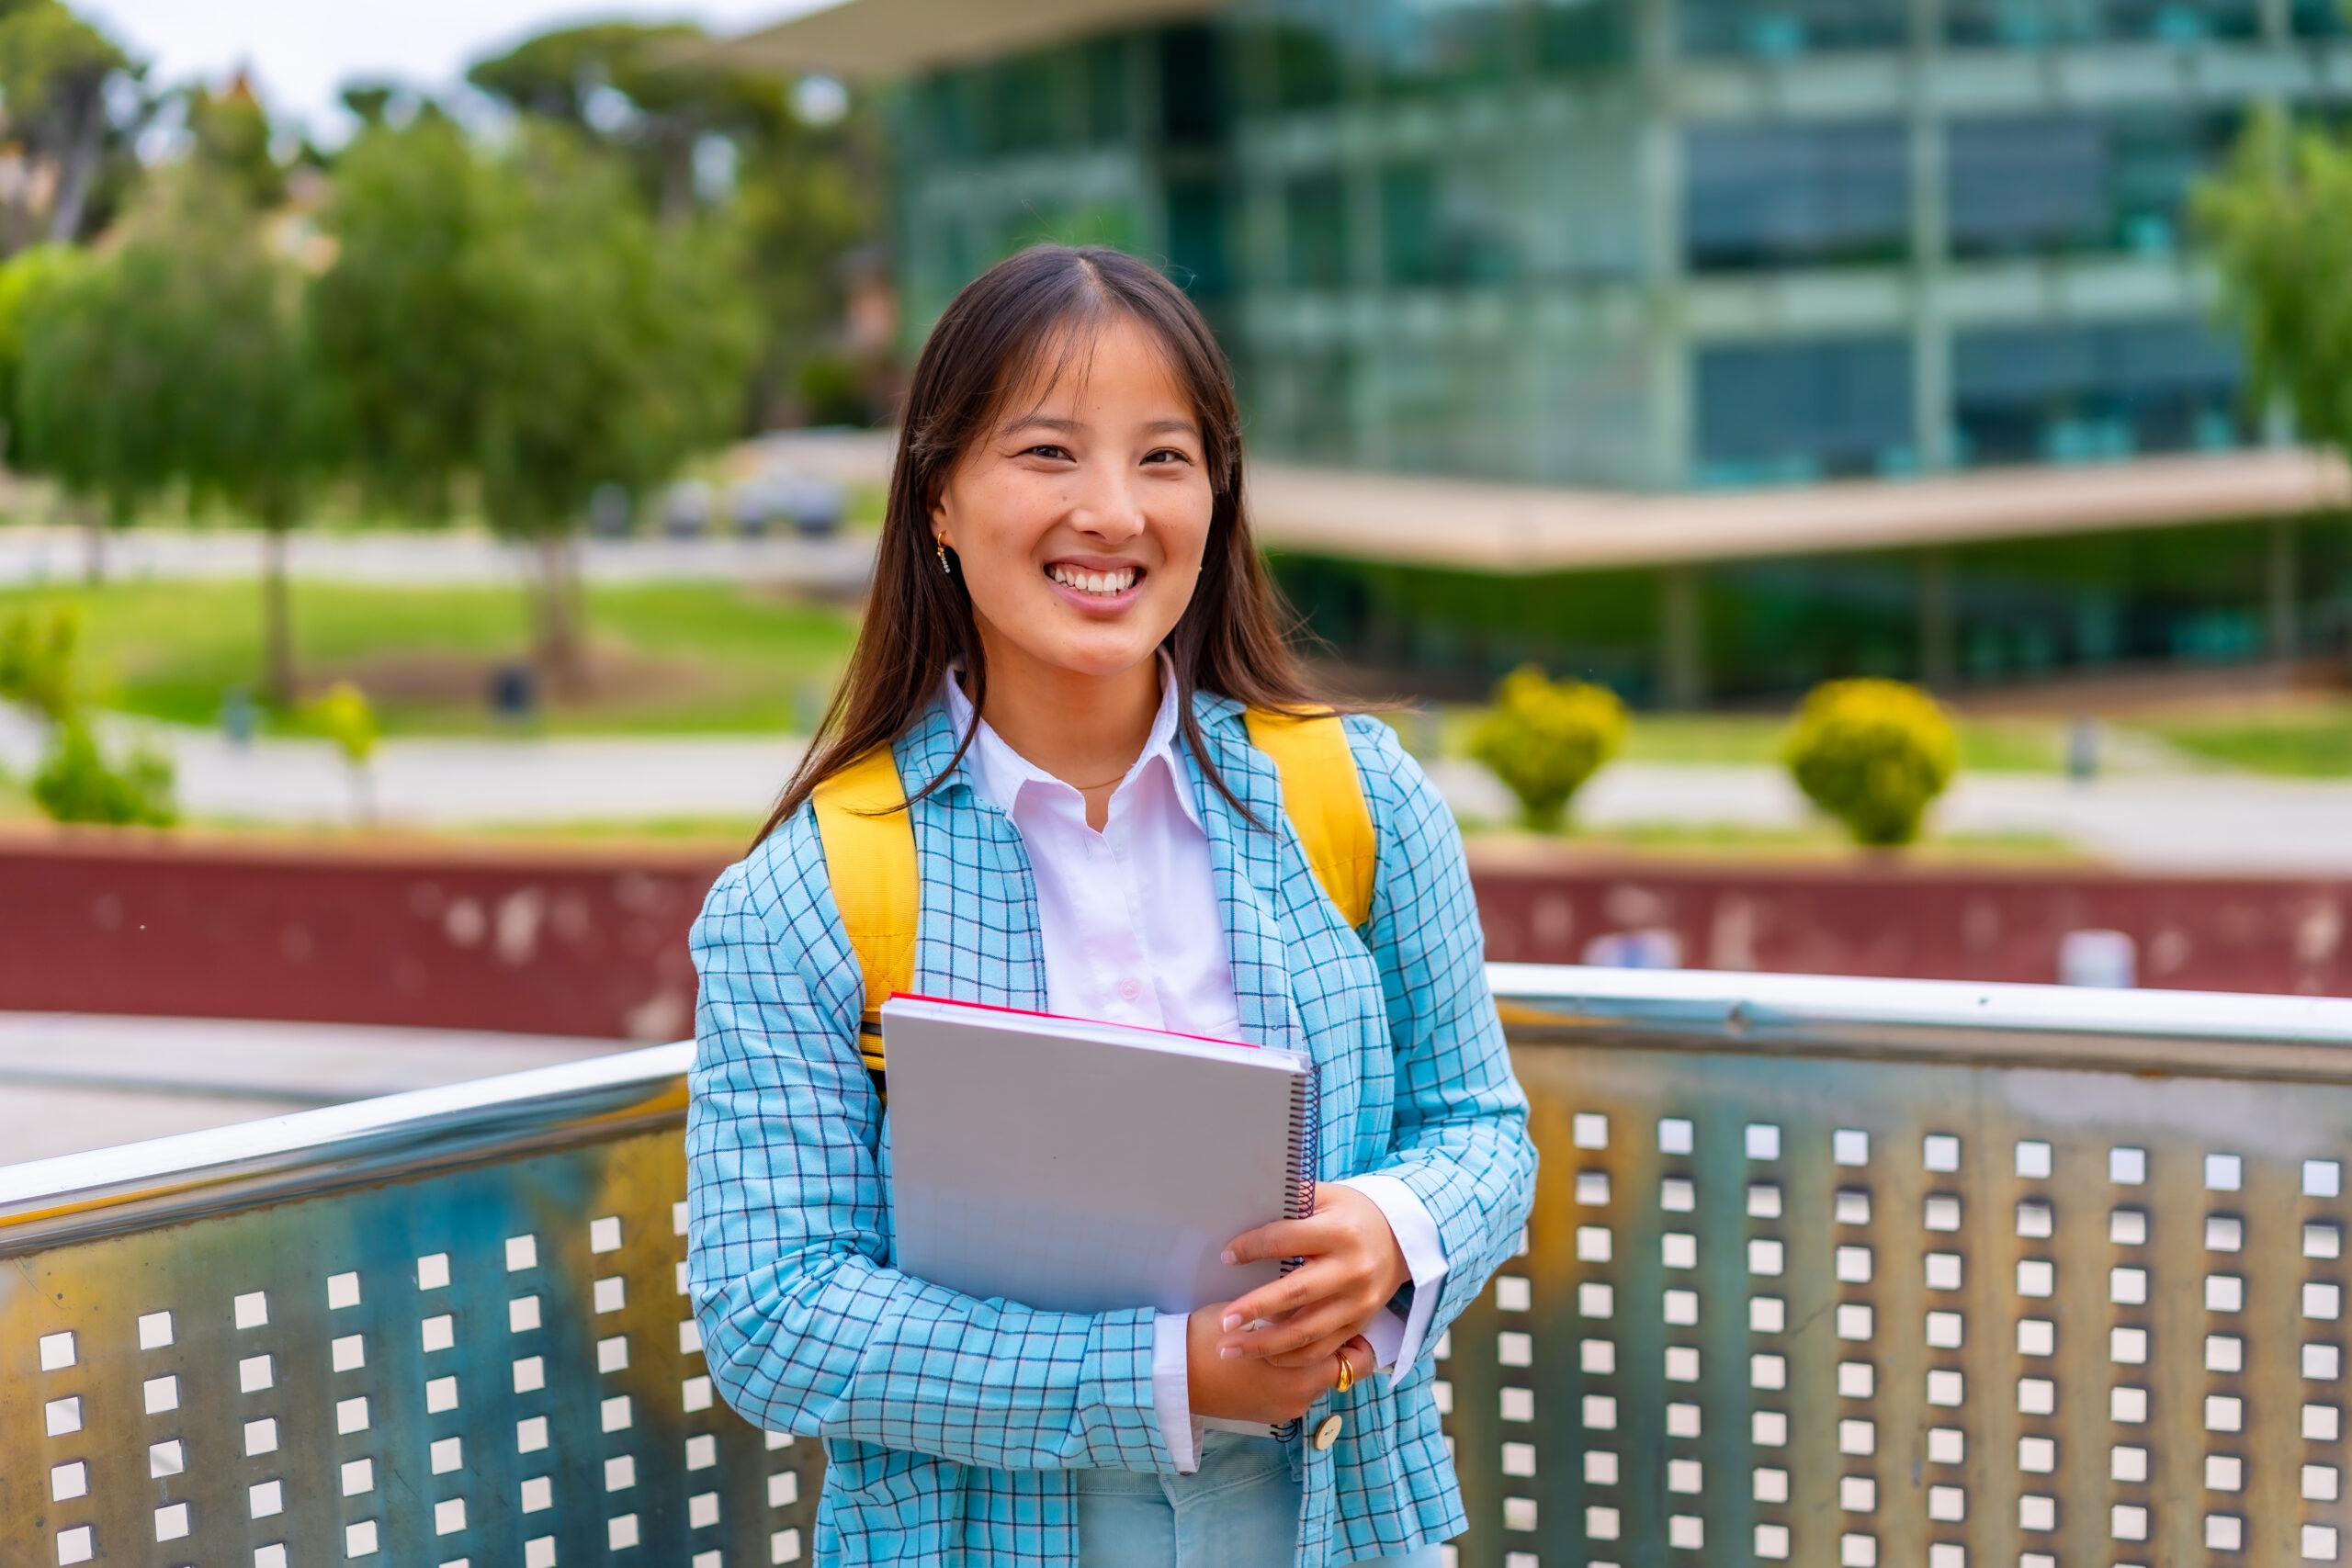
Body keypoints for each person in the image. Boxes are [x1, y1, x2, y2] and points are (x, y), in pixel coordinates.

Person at [685, 243, 1537, 1568]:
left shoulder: (1358, 799)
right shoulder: (812, 891)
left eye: (1163, 457)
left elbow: (1483, 1130)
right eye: (1046, 454)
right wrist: (1160, 1378)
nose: (1113, 513)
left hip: (1340, 1530)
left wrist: (1394, 1230)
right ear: (939, 504)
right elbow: (771, 1316)